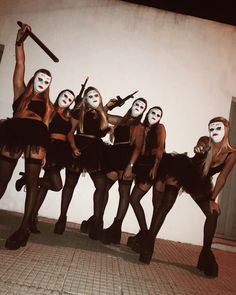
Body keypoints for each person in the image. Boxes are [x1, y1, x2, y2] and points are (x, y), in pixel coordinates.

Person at [139, 116, 236, 278]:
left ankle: (206, 254)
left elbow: (222, 177)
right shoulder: (207, 141)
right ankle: (149, 243)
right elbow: (200, 145)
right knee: (166, 205)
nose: (214, 132)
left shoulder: (231, 154)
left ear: (227, 129)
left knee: (213, 213)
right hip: (183, 169)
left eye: (218, 128)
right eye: (211, 128)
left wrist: (212, 199)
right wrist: (200, 148)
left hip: (199, 182)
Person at [0, 23, 53, 249]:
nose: (42, 83)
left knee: (32, 182)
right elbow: (20, 63)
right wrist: (20, 41)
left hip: (37, 136)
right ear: (33, 78)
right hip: (14, 130)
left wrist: (46, 155)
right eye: (40, 78)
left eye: (47, 82)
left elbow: (47, 128)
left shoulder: (48, 106)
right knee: (2, 176)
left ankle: (23, 230)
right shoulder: (20, 91)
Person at [15, 89, 76, 233]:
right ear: (59, 95)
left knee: (45, 187)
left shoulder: (68, 116)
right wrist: (45, 152)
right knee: (57, 185)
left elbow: (69, 133)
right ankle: (27, 179)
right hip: (51, 148)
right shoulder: (51, 110)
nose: (67, 99)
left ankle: (32, 217)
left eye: (70, 99)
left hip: (63, 152)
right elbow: (44, 129)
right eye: (65, 95)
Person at [53, 86, 110, 235]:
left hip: (95, 150)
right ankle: (62, 218)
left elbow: (108, 126)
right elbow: (70, 133)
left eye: (96, 95)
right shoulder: (79, 112)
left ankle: (97, 223)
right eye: (90, 96)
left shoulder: (102, 114)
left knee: (101, 186)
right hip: (80, 147)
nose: (93, 98)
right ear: (85, 99)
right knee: (70, 185)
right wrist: (72, 147)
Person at [100, 98, 147, 245]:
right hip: (115, 156)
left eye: (142, 107)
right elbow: (103, 115)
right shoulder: (121, 120)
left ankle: (116, 228)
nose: (138, 107)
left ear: (143, 112)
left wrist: (130, 165)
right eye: (137, 104)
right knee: (103, 188)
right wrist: (109, 105)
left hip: (128, 158)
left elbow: (138, 147)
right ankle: (97, 219)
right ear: (132, 105)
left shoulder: (139, 127)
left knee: (123, 192)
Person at [127, 106, 166, 252]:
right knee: (134, 199)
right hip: (143, 166)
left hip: (158, 165)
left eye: (158, 114)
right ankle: (144, 232)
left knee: (157, 205)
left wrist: (155, 166)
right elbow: (138, 148)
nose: (155, 116)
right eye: (153, 113)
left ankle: (149, 239)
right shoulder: (141, 127)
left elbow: (161, 147)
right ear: (147, 113)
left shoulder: (160, 128)